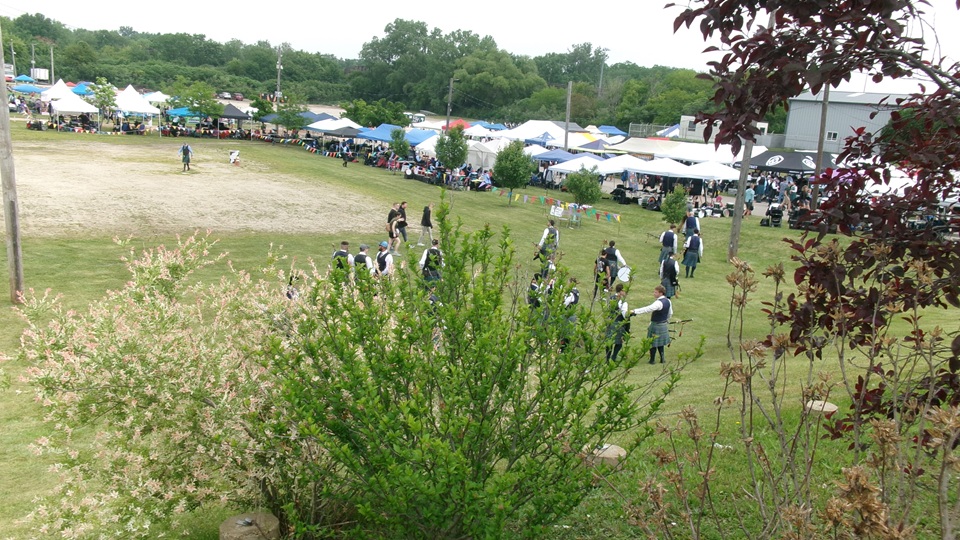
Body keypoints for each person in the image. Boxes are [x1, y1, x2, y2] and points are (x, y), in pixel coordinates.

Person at [631, 284, 674, 364]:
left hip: (656, 325)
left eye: (655, 292)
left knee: (652, 343)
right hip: (663, 324)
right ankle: (662, 359)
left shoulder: (658, 303)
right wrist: (666, 320)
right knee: (660, 343)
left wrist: (635, 311)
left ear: (661, 293)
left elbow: (647, 309)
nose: (654, 294)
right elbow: (670, 313)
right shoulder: (668, 301)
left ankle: (652, 360)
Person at [605, 284, 631, 362]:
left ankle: (607, 359)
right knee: (619, 343)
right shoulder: (623, 302)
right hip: (618, 323)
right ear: (621, 291)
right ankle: (613, 357)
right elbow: (625, 315)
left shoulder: (610, 298)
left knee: (609, 342)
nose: (626, 293)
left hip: (609, 322)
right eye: (625, 291)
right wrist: (628, 327)